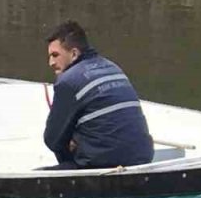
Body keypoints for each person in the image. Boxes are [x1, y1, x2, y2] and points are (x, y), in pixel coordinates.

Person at [43, 20, 154, 169]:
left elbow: (53, 140)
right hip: (142, 159)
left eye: (55, 55)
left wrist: (72, 142)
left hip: (102, 165)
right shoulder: (113, 67)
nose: (51, 62)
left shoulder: (69, 81)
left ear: (74, 53)